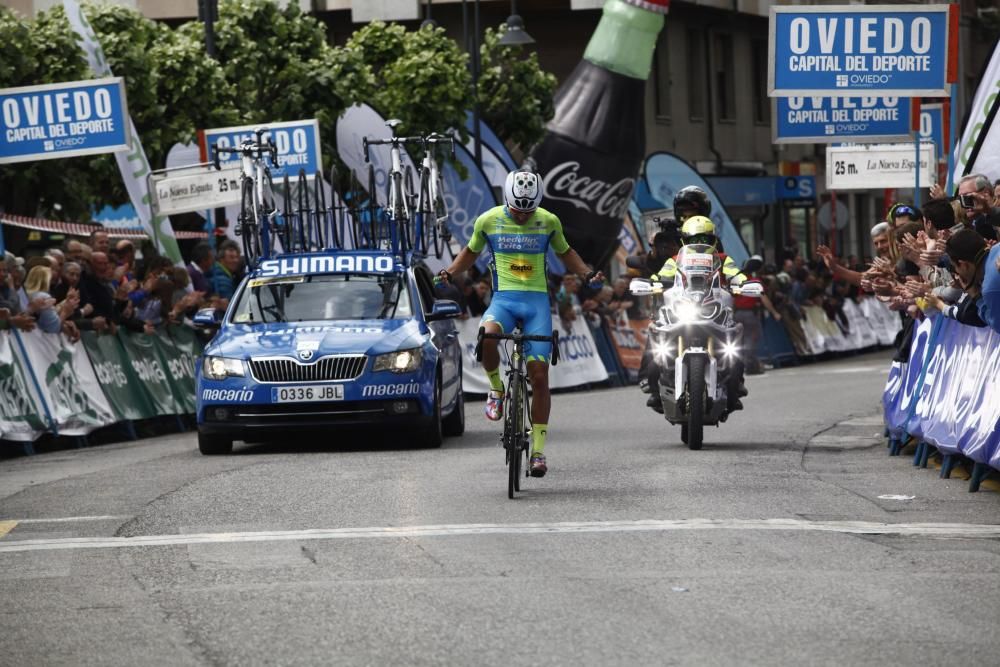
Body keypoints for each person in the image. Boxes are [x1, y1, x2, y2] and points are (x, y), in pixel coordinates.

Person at [437, 168, 603, 478]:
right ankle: (497, 389)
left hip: (536, 303)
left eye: (528, 211)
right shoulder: (488, 220)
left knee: (539, 377)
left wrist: (587, 273)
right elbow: (470, 252)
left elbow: (566, 253)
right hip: (504, 301)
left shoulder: (548, 221)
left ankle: (538, 451)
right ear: (507, 201)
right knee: (486, 336)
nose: (523, 216)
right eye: (517, 210)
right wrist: (450, 271)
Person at [644, 215, 748, 413]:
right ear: (684, 241)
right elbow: (661, 277)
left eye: (704, 240)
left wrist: (743, 283)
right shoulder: (675, 261)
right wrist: (652, 283)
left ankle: (736, 388)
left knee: (736, 335)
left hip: (714, 309)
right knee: (656, 339)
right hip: (683, 308)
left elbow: (737, 274)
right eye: (693, 240)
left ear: (713, 240)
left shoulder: (724, 259)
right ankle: (655, 392)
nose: (699, 244)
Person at [956, 173, 1000, 241]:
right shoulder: (973, 223)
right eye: (960, 198)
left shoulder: (992, 220)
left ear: (985, 193)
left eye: (966, 197)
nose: (963, 204)